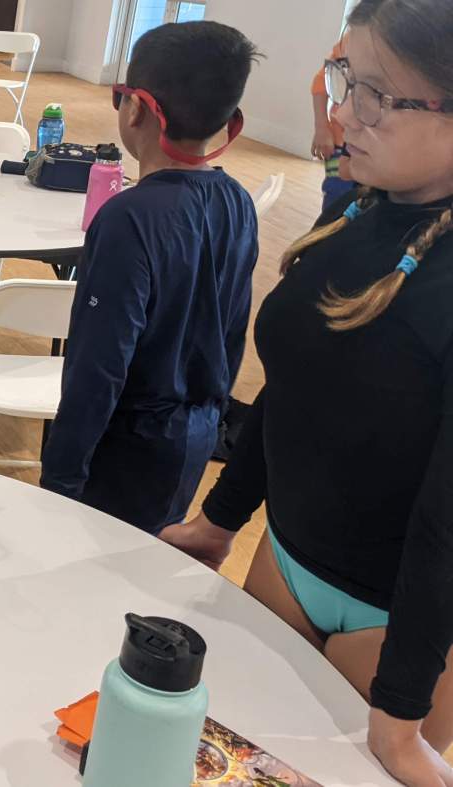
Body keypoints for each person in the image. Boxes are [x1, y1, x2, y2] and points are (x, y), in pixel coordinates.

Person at [158, 2, 453, 784]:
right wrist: (221, 522)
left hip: (407, 624)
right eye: (346, 78)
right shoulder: (364, 204)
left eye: (379, 97)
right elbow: (295, 387)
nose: (342, 112)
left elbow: (445, 519)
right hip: (285, 562)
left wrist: (401, 713)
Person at [39, 22, 259, 536]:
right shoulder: (239, 203)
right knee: (146, 561)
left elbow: (98, 368)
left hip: (126, 446)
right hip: (194, 437)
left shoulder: (128, 218)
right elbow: (233, 332)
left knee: (92, 567)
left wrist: (61, 480)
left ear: (135, 107)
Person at [312, 35, 358, 211]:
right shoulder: (349, 41)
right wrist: (321, 127)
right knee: (336, 201)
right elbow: (321, 83)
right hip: (340, 143)